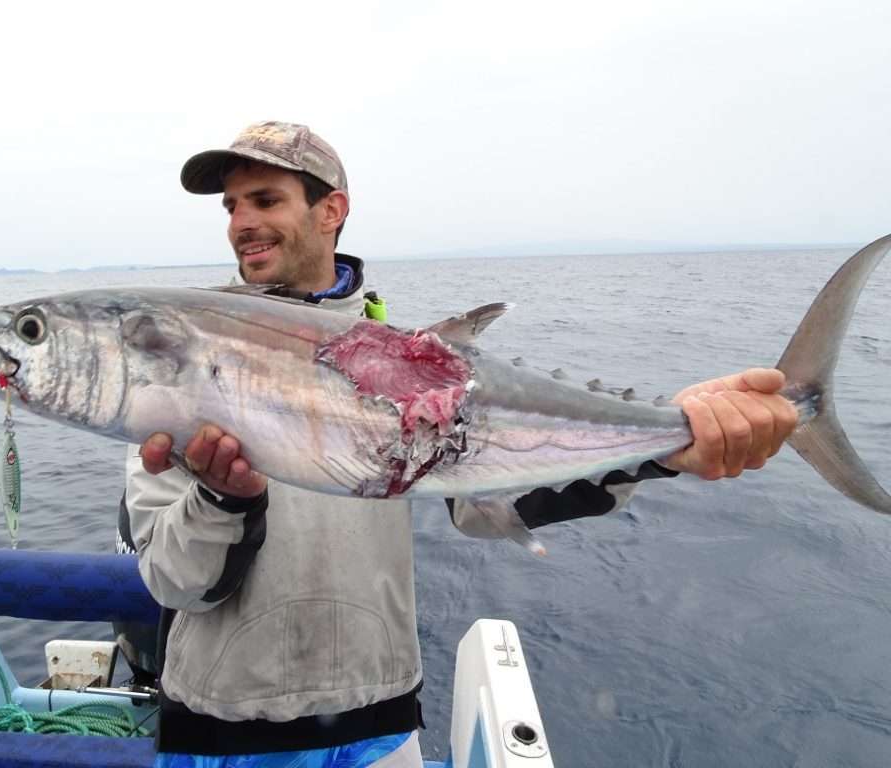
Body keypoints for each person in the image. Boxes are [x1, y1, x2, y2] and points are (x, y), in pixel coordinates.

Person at [118, 121, 799, 767]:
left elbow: (485, 504)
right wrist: (220, 498)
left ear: (332, 211)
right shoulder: (180, 357)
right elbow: (176, 583)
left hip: (374, 720)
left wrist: (663, 447)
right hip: (216, 721)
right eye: (232, 206)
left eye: (266, 199)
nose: (242, 223)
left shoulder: (417, 365)